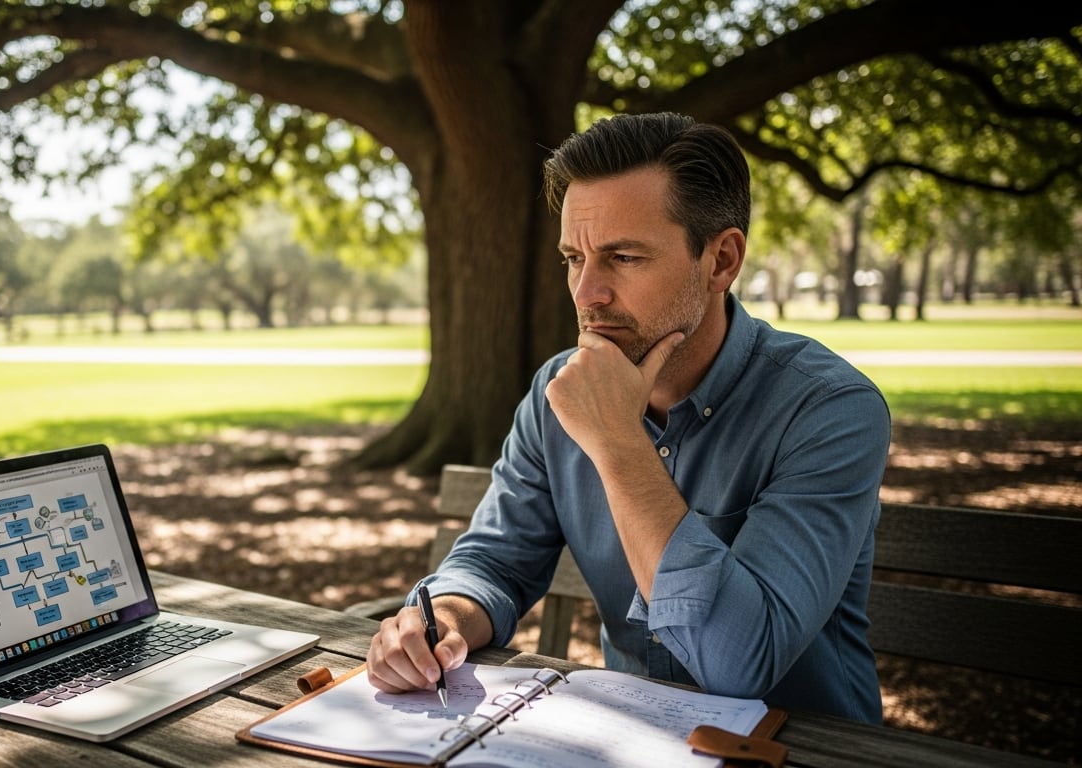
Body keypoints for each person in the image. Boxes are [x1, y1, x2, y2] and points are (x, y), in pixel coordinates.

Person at [366, 112, 890, 723]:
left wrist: (617, 442)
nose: (588, 293)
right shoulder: (556, 392)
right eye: (573, 258)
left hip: (804, 748)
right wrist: (444, 619)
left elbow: (740, 665)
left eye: (623, 256)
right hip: (627, 741)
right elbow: (495, 560)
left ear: (722, 260)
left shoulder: (828, 409)